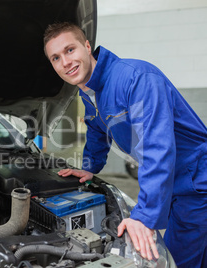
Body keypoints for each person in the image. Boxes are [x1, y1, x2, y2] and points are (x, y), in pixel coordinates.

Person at [43, 22, 207, 267]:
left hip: (196, 181)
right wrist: (90, 167)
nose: (65, 62)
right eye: (55, 58)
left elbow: (157, 147)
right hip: (173, 183)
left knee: (176, 259)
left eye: (70, 50)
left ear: (87, 46)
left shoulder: (135, 78)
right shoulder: (88, 93)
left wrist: (144, 215)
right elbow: (97, 129)